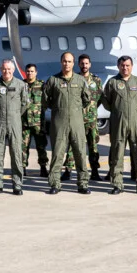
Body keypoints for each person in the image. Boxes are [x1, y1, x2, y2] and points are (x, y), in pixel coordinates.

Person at [43, 52, 94, 194]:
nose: (67, 64)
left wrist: (75, 111)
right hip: (59, 123)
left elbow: (86, 99)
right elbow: (45, 100)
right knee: (58, 154)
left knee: (80, 153)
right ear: (61, 62)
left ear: (73, 63)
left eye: (70, 61)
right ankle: (55, 184)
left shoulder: (80, 80)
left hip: (77, 123)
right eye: (64, 61)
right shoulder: (53, 80)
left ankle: (83, 184)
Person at [102, 55, 137, 195]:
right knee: (117, 153)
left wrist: (135, 111)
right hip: (119, 122)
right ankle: (117, 184)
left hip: (135, 122)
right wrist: (117, 110)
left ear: (132, 66)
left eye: (128, 65)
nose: (125, 68)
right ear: (118, 66)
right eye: (122, 65)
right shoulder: (113, 82)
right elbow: (106, 101)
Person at [0, 58, 27, 195]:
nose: (6, 71)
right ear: (0, 69)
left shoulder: (21, 84)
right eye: (4, 69)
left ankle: (17, 185)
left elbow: (25, 103)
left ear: (13, 70)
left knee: (16, 154)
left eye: (9, 69)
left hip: (15, 123)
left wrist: (15, 115)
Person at [62, 53, 103, 182]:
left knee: (93, 146)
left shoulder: (96, 80)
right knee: (72, 145)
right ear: (78, 64)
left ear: (90, 65)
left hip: (91, 119)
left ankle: (95, 171)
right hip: (77, 119)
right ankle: (68, 171)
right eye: (82, 63)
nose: (84, 66)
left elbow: (100, 98)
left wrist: (91, 109)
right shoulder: (74, 79)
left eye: (86, 63)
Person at [21, 63, 49, 177]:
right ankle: (22, 168)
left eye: (32, 71)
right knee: (23, 147)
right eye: (28, 71)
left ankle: (43, 167)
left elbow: (48, 99)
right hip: (24, 123)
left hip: (38, 122)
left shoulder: (42, 85)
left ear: (36, 73)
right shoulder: (21, 85)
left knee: (41, 146)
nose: (29, 73)